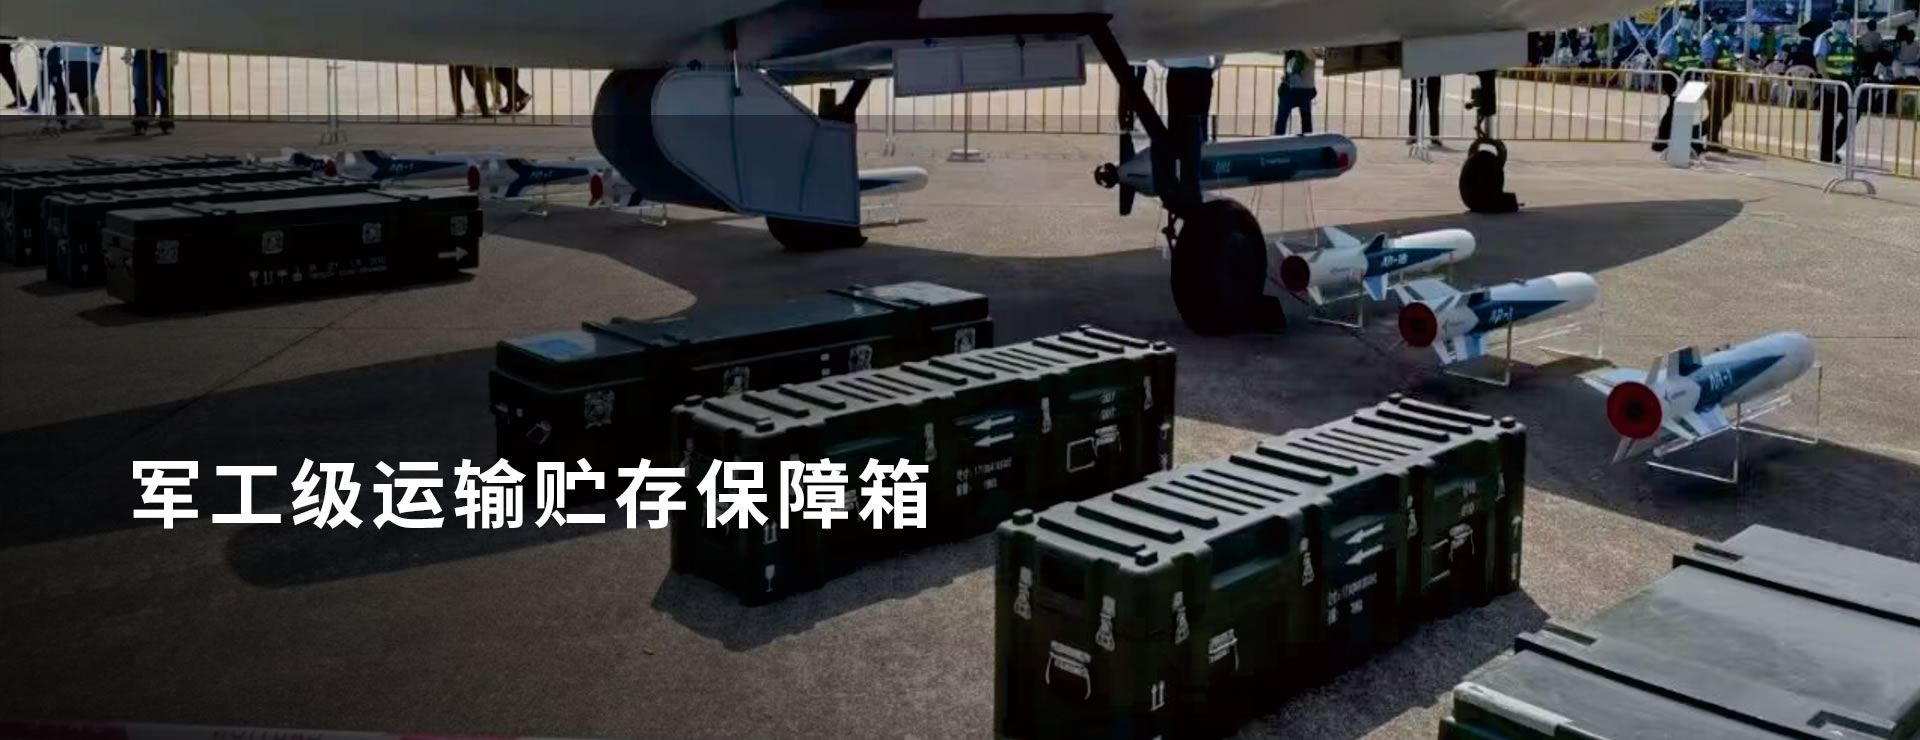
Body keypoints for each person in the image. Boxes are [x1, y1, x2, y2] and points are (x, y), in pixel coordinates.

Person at [1159, 55, 1220, 208]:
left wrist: (1167, 62)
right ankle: (1196, 180)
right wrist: (1213, 65)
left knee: (1177, 128)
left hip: (1177, 68)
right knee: (1198, 127)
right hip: (1202, 70)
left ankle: (1176, 181)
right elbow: (1220, 50)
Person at [1814, 13, 1859, 163]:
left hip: (1846, 82)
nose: (1841, 23)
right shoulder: (1824, 38)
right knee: (1828, 119)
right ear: (1832, 22)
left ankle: (1832, 147)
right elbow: (1820, 60)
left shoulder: (1848, 38)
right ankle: (1826, 154)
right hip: (1831, 82)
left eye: (1844, 21)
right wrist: (1826, 80)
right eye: (1838, 20)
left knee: (1853, 113)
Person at [129, 48, 173, 135]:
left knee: (160, 86)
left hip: (161, 50)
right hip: (141, 49)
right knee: (139, 86)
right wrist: (128, 49)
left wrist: (174, 52)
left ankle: (165, 119)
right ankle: (141, 122)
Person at [1274, 49, 1316, 134]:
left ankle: (1279, 138)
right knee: (1305, 121)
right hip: (1298, 89)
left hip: (1298, 89)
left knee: (1283, 120)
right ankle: (1306, 140)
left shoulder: (1305, 51)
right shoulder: (1300, 51)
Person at [1406, 75, 1441, 146]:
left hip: (1434, 75)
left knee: (1434, 106)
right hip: (1418, 75)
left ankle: (1434, 136)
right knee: (1416, 105)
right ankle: (1412, 135)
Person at [0, 37, 25, 110]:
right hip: (3, 46)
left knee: (10, 76)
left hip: (3, 46)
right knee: (10, 76)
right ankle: (21, 100)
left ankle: (21, 100)